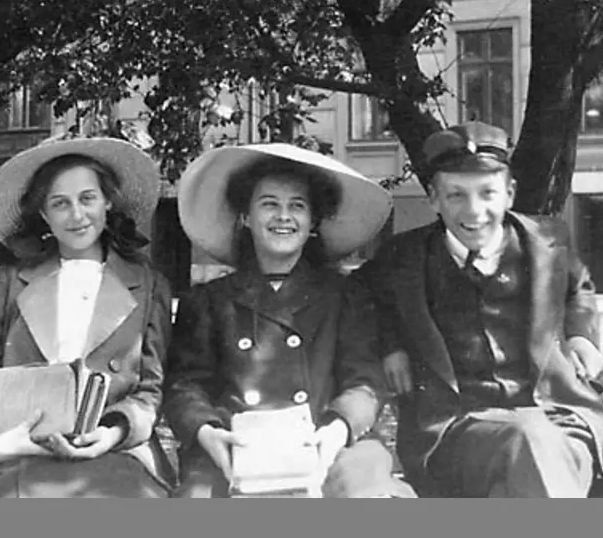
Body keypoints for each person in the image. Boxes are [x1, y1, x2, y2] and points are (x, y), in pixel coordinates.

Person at [349, 121, 603, 498]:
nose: (474, 211)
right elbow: (357, 296)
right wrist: (390, 345)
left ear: (509, 193)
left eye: (488, 193)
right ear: (433, 199)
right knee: (527, 444)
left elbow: (578, 286)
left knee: (530, 453)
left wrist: (582, 335)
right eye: (456, 195)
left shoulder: (547, 243)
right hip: (458, 429)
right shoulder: (403, 258)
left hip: (558, 416)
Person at [163, 143, 415, 498]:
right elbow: (185, 386)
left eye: (297, 206)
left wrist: (338, 429)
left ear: (312, 222)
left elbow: (365, 382)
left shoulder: (344, 295)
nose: (284, 217)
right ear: (246, 217)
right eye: (269, 204)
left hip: (329, 443)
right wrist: (207, 432)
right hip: (235, 447)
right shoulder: (207, 301)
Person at [0, 136, 175, 498]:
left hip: (117, 451)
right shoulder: (8, 283)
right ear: (44, 215)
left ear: (108, 202)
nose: (77, 215)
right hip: (20, 450)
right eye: (60, 203)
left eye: (88, 198)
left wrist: (114, 432)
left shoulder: (148, 285)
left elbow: (151, 388)